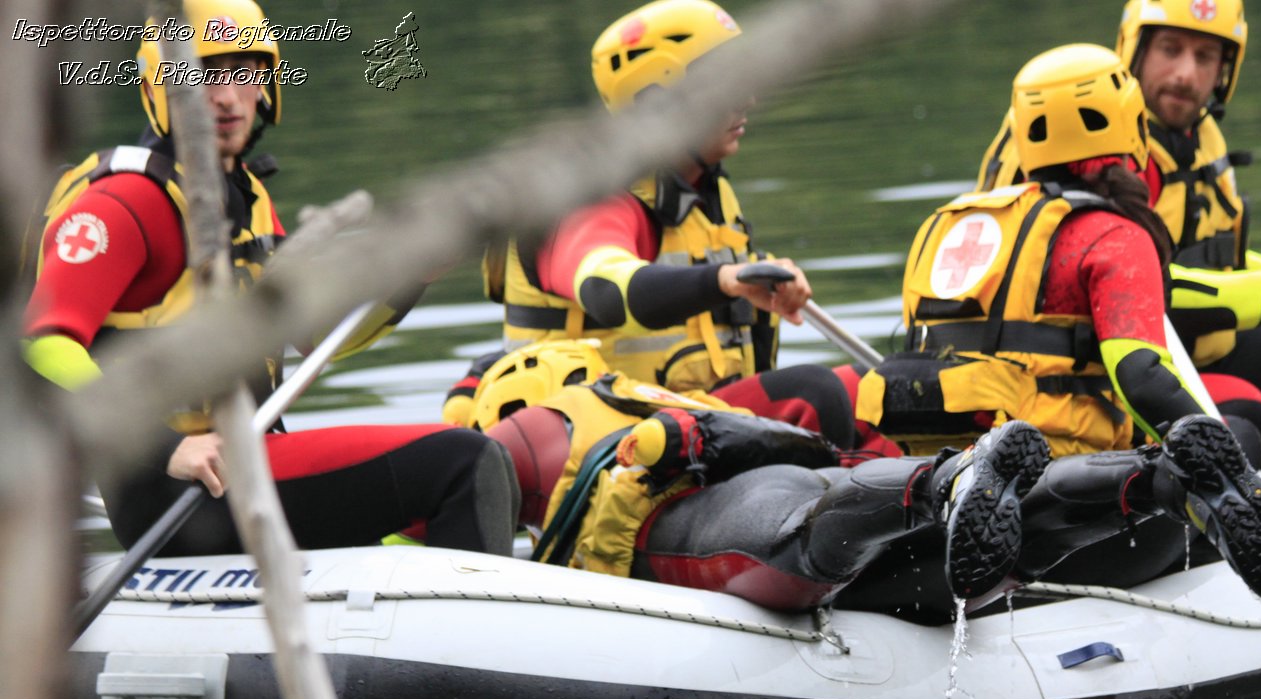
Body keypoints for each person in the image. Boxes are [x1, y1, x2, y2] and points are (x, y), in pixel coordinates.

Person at [22, 0, 521, 557]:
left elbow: (315, 340)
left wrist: (413, 277)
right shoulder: (126, 203)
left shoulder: (249, 201)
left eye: (246, 71)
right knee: (468, 463)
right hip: (175, 489)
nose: (228, 96)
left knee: (471, 484)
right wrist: (166, 448)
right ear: (162, 88)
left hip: (247, 465)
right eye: (204, 75)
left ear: (268, 83)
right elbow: (42, 350)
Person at [859, 45, 1261, 602]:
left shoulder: (946, 226)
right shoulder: (1112, 236)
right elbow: (1139, 373)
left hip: (940, 493)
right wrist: (1229, 470)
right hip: (1066, 521)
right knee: (1235, 433)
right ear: (1129, 126)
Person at [447, 0, 888, 457]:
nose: (748, 100)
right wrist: (725, 280)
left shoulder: (700, 193)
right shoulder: (589, 201)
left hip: (692, 428)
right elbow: (606, 288)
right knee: (810, 393)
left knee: (878, 390)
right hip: (613, 450)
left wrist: (758, 281)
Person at [974, 0, 1261, 461]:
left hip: (1196, 349)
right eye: (1170, 50)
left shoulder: (1200, 138)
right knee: (1252, 417)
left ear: (1224, 70)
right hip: (1107, 369)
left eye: (1204, 57)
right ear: (1134, 52)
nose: (1185, 75)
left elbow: (1217, 260)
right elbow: (1128, 282)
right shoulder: (1088, 143)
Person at [473, 341, 1049, 611]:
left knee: (800, 540)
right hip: (814, 474)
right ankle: (1135, 483)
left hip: (724, 518)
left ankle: (947, 482)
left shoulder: (540, 429)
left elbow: (455, 477)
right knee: (906, 531)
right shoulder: (651, 401)